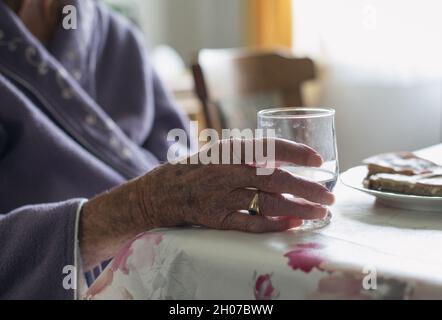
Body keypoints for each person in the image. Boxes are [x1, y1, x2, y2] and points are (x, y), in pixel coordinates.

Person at [0, 0, 334, 299]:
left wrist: (204, 184)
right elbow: (163, 193)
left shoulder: (115, 36)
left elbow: (178, 156)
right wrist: (142, 205)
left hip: (172, 267)